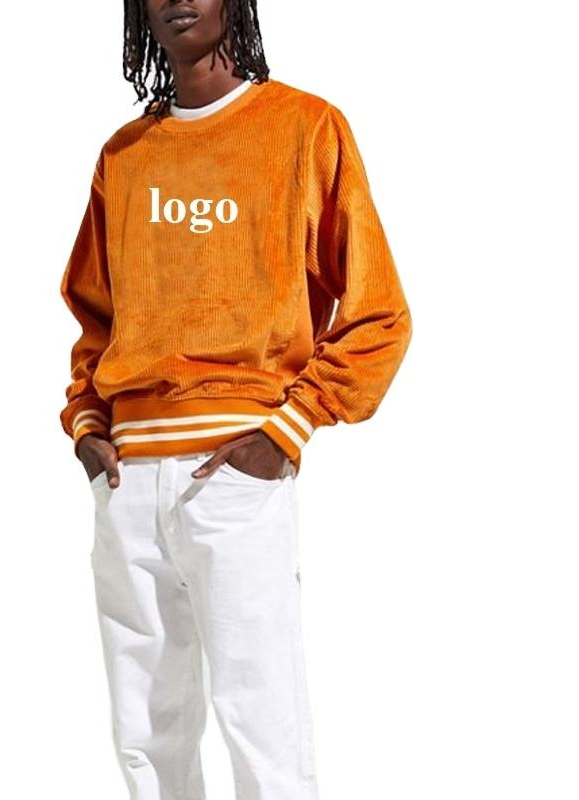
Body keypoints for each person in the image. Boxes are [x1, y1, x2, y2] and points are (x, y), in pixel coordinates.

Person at [59, 1, 413, 797]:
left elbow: (379, 314)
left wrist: (287, 429)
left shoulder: (304, 128)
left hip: (235, 473)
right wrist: (87, 425)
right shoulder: (125, 154)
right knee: (145, 731)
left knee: (261, 718)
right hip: (126, 479)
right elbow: (96, 315)